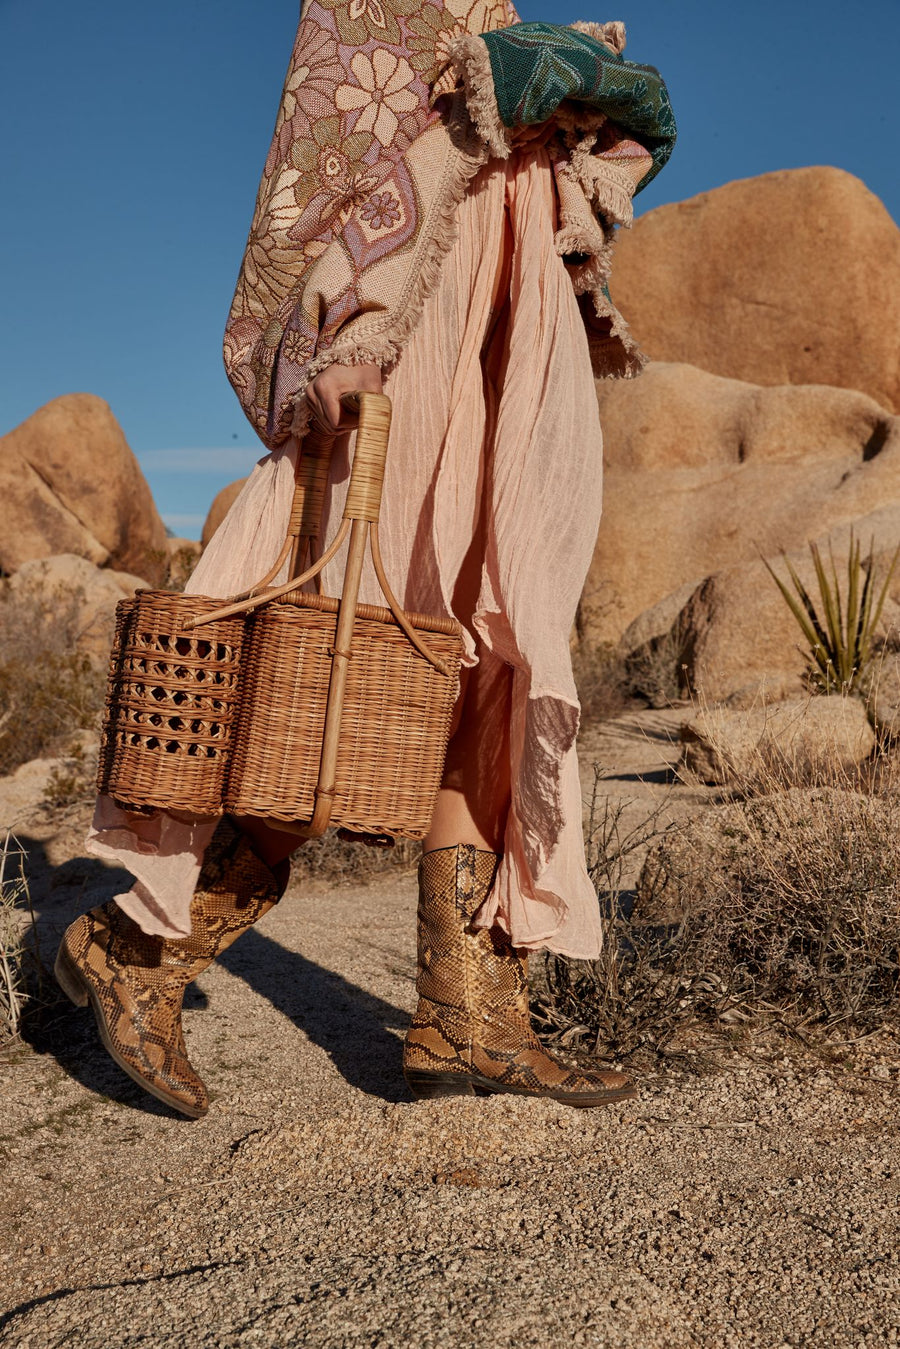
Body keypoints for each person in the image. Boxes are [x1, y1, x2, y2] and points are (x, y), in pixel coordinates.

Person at [55, 3, 675, 1117]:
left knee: (500, 662)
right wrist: (348, 333)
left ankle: (466, 1014)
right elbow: (341, 147)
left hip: (515, 317)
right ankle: (128, 946)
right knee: (322, 676)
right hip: (414, 325)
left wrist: (580, 117)